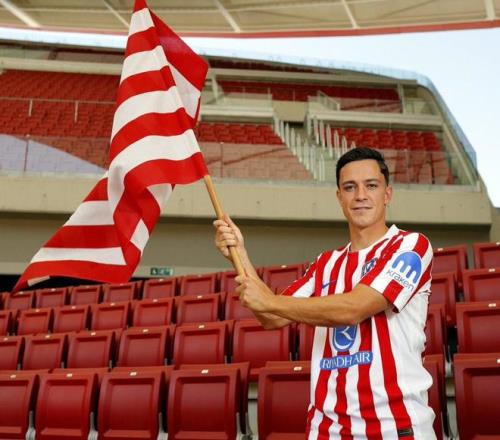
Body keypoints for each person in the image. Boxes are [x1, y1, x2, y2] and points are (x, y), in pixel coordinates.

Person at [214, 147, 436, 440]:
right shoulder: (325, 263)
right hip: (326, 430)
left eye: (371, 185)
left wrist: (269, 301)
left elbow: (354, 308)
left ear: (387, 194)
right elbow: (271, 316)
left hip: (395, 427)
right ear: (339, 197)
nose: (360, 195)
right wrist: (239, 255)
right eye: (350, 187)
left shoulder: (411, 246)